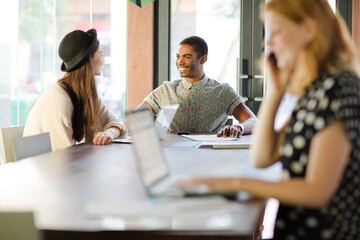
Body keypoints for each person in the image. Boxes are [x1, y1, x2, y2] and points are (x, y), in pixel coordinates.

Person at [180, 0, 360, 239]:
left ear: (309, 29)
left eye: (275, 31)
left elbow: (317, 192)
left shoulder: (338, 87)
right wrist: (274, 91)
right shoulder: (315, 90)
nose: (268, 43)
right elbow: (262, 158)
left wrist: (235, 183)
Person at [24, 29, 127, 151]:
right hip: (45, 168)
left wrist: (109, 133)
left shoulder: (88, 96)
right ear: (89, 60)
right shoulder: (58, 97)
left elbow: (117, 124)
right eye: (101, 55)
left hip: (63, 166)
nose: (103, 60)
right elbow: (63, 156)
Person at [138, 36, 257, 138]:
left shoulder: (223, 92)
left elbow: (254, 122)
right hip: (173, 154)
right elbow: (133, 120)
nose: (180, 61)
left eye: (187, 57)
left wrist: (239, 127)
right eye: (178, 56)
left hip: (210, 154)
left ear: (203, 59)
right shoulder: (166, 90)